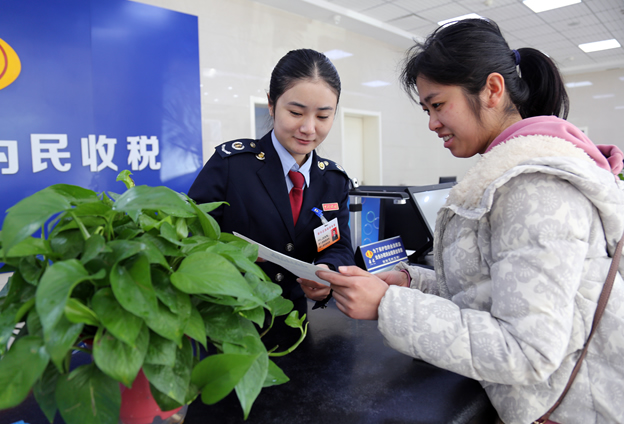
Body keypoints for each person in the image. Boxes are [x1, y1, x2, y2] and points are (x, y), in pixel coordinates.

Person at [317, 19, 624, 424]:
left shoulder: (534, 188)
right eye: (427, 109)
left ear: (493, 90)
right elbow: (493, 290)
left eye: (439, 104)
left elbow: (525, 351)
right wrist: (412, 282)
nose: (432, 123)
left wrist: (389, 305)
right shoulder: (515, 173)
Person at [188, 48, 355, 345]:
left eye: (323, 116)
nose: (308, 128)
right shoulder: (231, 165)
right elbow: (193, 237)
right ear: (271, 103)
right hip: (229, 321)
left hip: (295, 322)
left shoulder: (333, 181)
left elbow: (338, 243)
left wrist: (327, 273)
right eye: (295, 112)